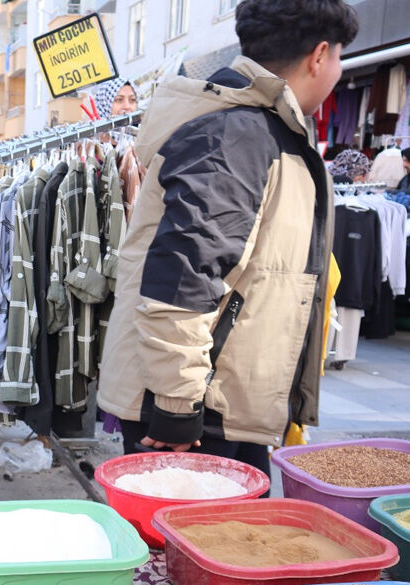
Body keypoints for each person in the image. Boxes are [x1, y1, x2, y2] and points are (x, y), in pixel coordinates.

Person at [97, 0, 359, 476]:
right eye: (340, 57)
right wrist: (177, 406)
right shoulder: (236, 134)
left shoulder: (261, 130)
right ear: (319, 56)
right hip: (197, 413)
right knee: (183, 545)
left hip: (221, 401)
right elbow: (182, 278)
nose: (339, 71)